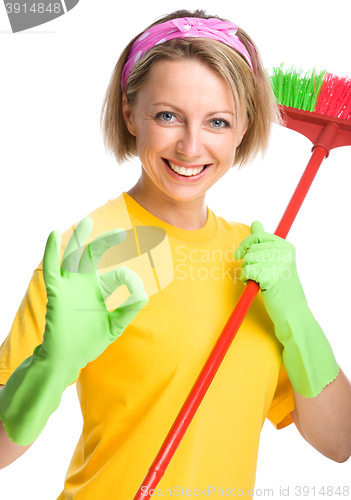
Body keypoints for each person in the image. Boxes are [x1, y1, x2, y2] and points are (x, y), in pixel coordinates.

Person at [1, 8, 351, 499]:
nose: (190, 146)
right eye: (168, 116)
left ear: (244, 126)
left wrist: (298, 317)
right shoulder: (89, 251)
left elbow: (338, 444)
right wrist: (49, 366)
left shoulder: (254, 260)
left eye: (217, 121)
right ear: (129, 113)